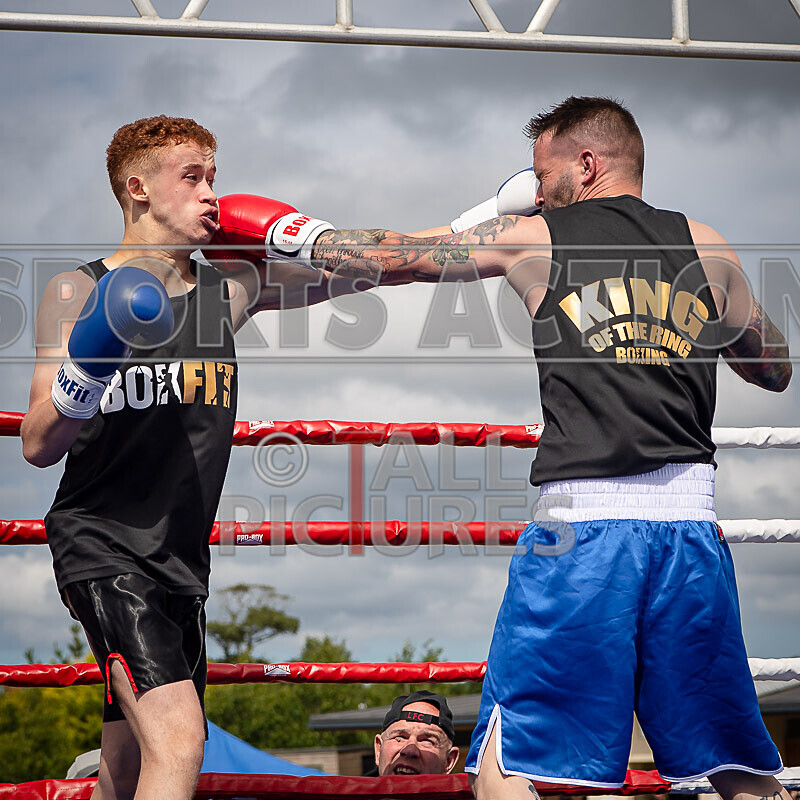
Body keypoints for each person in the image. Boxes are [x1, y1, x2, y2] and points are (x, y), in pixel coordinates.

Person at [214, 96, 792, 800]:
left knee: (507, 763)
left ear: (586, 164)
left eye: (544, 174)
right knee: (733, 764)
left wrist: (288, 232)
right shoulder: (706, 243)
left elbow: (395, 258)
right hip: (691, 537)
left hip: (585, 534)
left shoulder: (533, 238)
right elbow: (772, 367)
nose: (536, 187)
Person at [20, 115, 368, 800]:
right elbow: (37, 442)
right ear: (138, 187)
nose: (212, 193)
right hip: (106, 548)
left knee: (125, 763)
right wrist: (89, 367)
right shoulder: (77, 290)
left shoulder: (229, 289)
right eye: (193, 176)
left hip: (182, 560)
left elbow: (359, 273)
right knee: (180, 735)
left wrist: (297, 232)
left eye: (215, 177)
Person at [373, 690, 460, 777]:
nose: (410, 750)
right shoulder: (359, 788)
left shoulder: (469, 790)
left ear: (449, 761)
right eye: (399, 738)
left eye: (427, 741)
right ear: (378, 750)